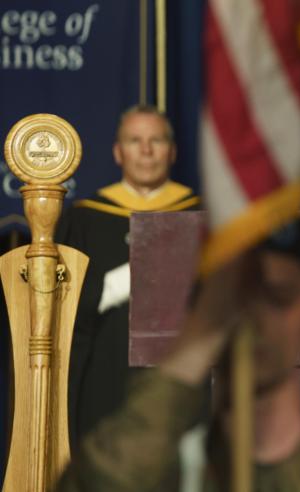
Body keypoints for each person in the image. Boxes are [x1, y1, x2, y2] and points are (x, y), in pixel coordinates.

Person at [55, 219, 300, 491]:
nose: (254, 318)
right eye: (236, 296)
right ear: (203, 313)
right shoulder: (162, 477)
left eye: (277, 297)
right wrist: (194, 343)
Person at [55, 105, 200, 445]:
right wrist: (113, 286)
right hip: (105, 376)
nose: (146, 150)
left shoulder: (199, 216)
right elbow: (64, 308)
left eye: (156, 140)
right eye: (135, 141)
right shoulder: (85, 220)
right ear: (118, 153)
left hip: (180, 380)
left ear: (173, 151)